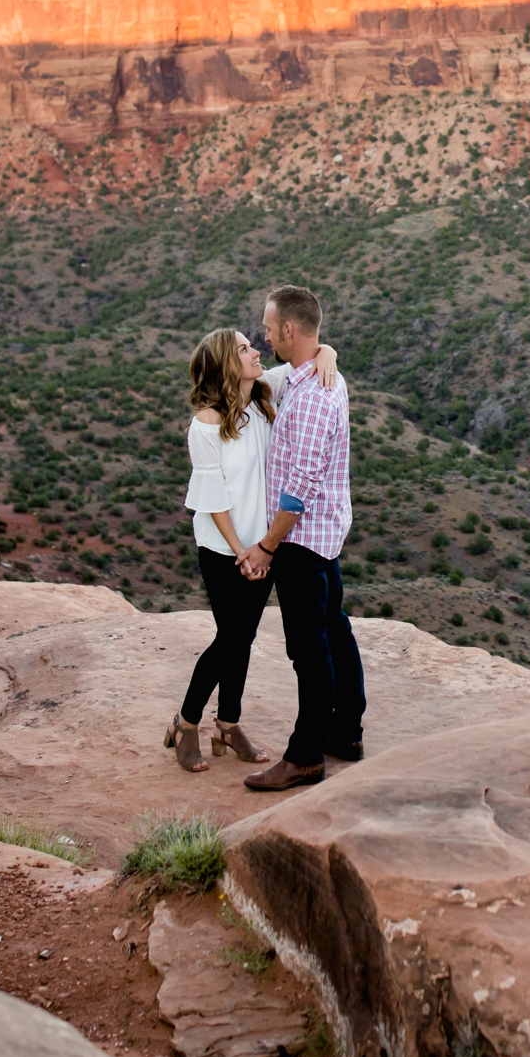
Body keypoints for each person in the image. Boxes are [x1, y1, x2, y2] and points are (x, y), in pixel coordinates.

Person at [170, 326, 336, 772]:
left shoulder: (265, 394)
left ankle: (228, 722)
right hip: (226, 549)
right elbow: (213, 497)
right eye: (244, 349)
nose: (255, 351)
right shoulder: (205, 423)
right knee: (231, 638)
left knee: (243, 639)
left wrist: (330, 353)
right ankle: (186, 724)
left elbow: (309, 358)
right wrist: (242, 550)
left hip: (263, 547)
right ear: (227, 363)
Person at [238, 285, 364, 790]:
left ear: (289, 330)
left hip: (301, 540)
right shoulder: (312, 376)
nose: (264, 336)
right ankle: (346, 731)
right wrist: (326, 350)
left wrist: (269, 544)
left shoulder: (312, 396)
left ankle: (306, 755)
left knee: (309, 650)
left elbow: (301, 487)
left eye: (268, 329)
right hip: (323, 535)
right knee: (335, 628)